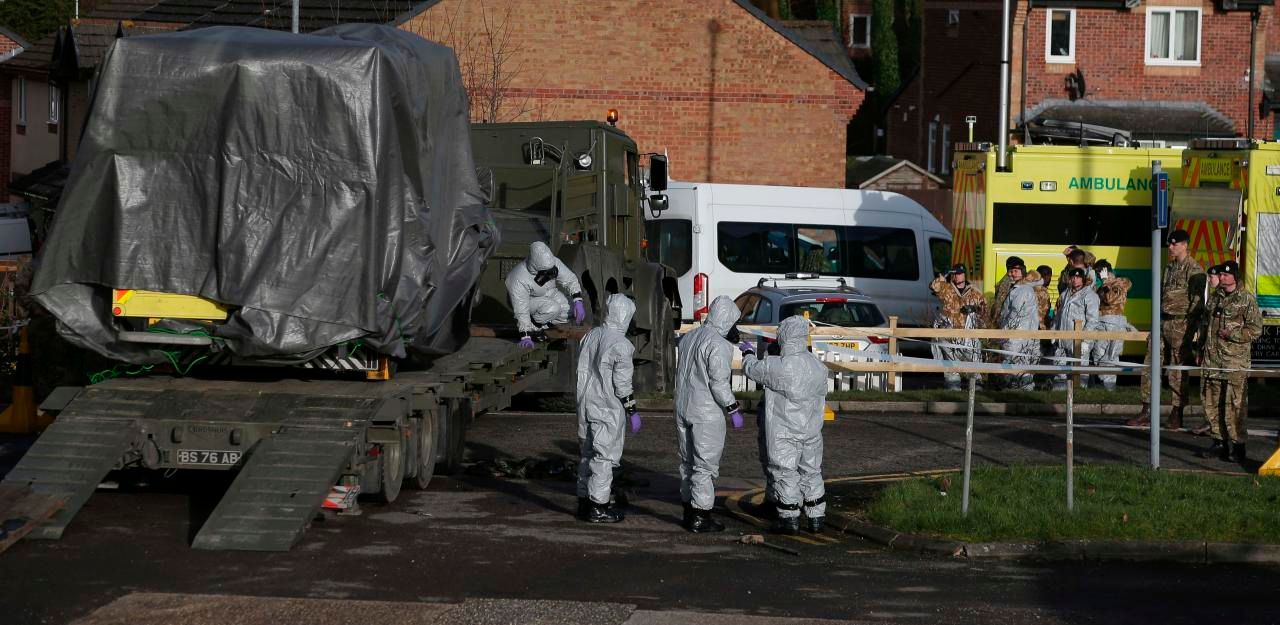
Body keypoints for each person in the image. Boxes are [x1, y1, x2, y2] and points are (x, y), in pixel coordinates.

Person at [737, 316, 829, 535]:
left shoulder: (778, 366)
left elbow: (752, 369)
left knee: (784, 472)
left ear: (785, 336)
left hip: (784, 430)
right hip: (811, 429)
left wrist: (748, 352)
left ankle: (789, 519)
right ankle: (816, 517)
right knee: (811, 471)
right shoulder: (818, 366)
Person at [674, 295, 744, 533]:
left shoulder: (689, 337)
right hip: (705, 411)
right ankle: (701, 516)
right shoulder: (719, 345)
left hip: (683, 406)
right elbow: (718, 383)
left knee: (687, 462)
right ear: (727, 319)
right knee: (704, 465)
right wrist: (733, 408)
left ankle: (688, 510)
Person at [574, 294, 638, 523]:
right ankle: (598, 507)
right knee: (604, 458)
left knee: (587, 454)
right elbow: (622, 384)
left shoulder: (591, 335)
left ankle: (584, 501)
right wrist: (632, 410)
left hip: (585, 403)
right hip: (607, 407)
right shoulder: (622, 345)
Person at [1133, 229, 1205, 429]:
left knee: (1177, 369)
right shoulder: (1169, 268)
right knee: (1150, 364)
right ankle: (1147, 409)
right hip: (1162, 321)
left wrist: (1189, 328)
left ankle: (1177, 412)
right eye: (1170, 243)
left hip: (1180, 323)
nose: (1171, 247)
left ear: (1185, 245)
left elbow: (1197, 303)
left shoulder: (1195, 270)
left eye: (1175, 244)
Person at [1197, 261, 1263, 465]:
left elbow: (1255, 329)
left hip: (1234, 363)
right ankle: (1219, 442)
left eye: (1226, 275)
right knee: (1212, 403)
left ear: (1235, 276)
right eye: (1220, 275)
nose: (1221, 277)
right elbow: (1206, 324)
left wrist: (1232, 334)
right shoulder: (1215, 297)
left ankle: (1238, 446)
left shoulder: (1246, 299)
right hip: (1213, 360)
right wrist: (1200, 349)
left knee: (1234, 406)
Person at [505, 241, 586, 348]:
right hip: (528, 301)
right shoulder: (518, 277)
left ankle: (543, 326)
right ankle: (533, 328)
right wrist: (525, 335)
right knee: (552, 308)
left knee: (569, 309)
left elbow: (570, 279)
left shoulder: (552, 262)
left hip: (549, 293)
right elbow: (521, 309)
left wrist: (578, 301)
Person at [929, 264, 987, 391]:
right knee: (951, 366)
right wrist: (944, 275)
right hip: (950, 335)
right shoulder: (946, 289)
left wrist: (974, 309)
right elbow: (933, 286)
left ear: (965, 274)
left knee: (974, 362)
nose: (957, 276)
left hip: (969, 336)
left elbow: (984, 311)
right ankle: (953, 388)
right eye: (954, 274)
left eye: (959, 273)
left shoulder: (975, 292)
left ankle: (976, 387)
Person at [1090, 260, 1135, 391]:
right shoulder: (1103, 285)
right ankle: (1104, 387)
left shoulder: (1119, 284)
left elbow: (1110, 299)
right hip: (1101, 322)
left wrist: (1106, 282)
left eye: (1099, 273)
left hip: (1114, 324)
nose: (1098, 276)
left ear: (1105, 271)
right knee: (1098, 355)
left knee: (1110, 356)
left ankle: (1109, 388)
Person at [998, 269, 1046, 391]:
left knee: (1015, 359)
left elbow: (1016, 313)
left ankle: (1016, 386)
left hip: (1018, 332)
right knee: (1024, 359)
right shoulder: (1025, 290)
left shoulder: (1023, 290)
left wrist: (1006, 330)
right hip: (1025, 331)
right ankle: (1023, 386)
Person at [1053, 267, 1099, 390]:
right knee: (1059, 370)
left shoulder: (1090, 295)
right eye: (1073, 277)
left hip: (1079, 342)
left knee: (1080, 372)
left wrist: (1085, 341)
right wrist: (1054, 333)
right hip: (1062, 339)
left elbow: (1093, 320)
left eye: (1078, 277)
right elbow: (1058, 315)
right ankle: (1058, 395)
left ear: (1083, 279)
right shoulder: (1065, 293)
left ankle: (1079, 395)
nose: (1075, 279)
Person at [1191, 265, 1223, 436]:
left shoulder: (1224, 298)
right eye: (1208, 277)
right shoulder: (1212, 298)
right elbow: (1204, 327)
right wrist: (1199, 350)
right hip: (1208, 351)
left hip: (1221, 353)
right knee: (1206, 389)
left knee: (1217, 389)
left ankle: (1216, 423)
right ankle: (1209, 420)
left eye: (1212, 277)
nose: (1209, 280)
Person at [988, 257, 1026, 328]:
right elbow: (999, 304)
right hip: (1005, 323)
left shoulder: (1012, 281)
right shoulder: (1007, 282)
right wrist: (997, 323)